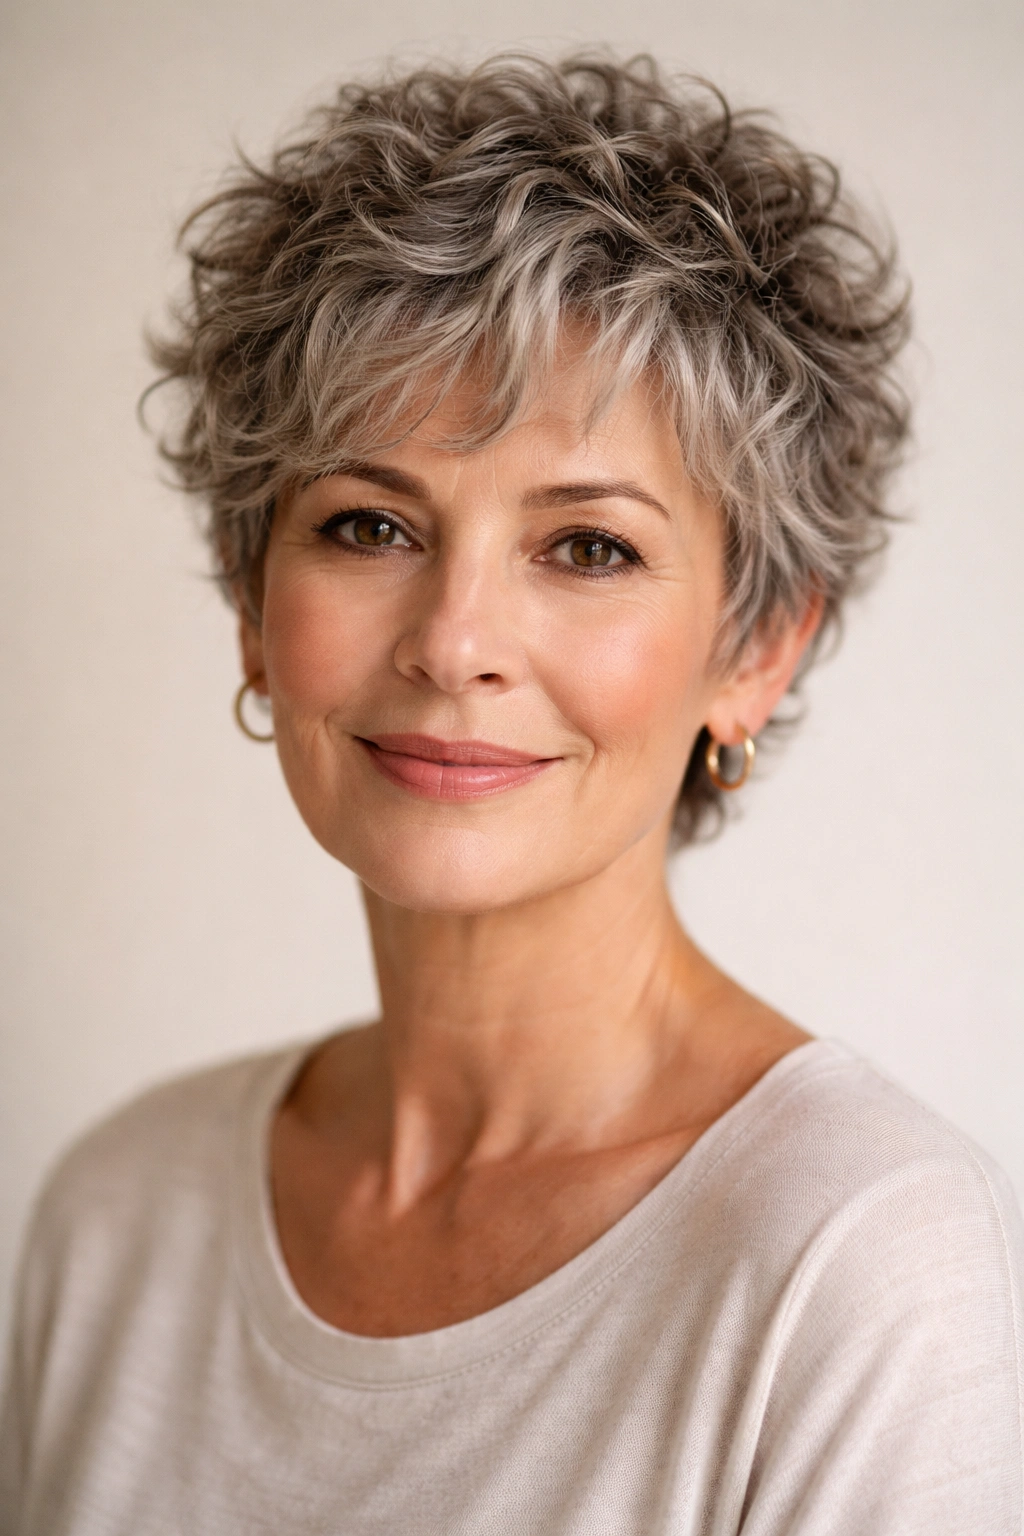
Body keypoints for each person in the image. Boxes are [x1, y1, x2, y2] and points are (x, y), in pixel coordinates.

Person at [1, 52, 1021, 1536]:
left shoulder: (859, 1262)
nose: (455, 641)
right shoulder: (117, 1214)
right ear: (248, 601)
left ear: (757, 647)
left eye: (587, 547)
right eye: (367, 524)